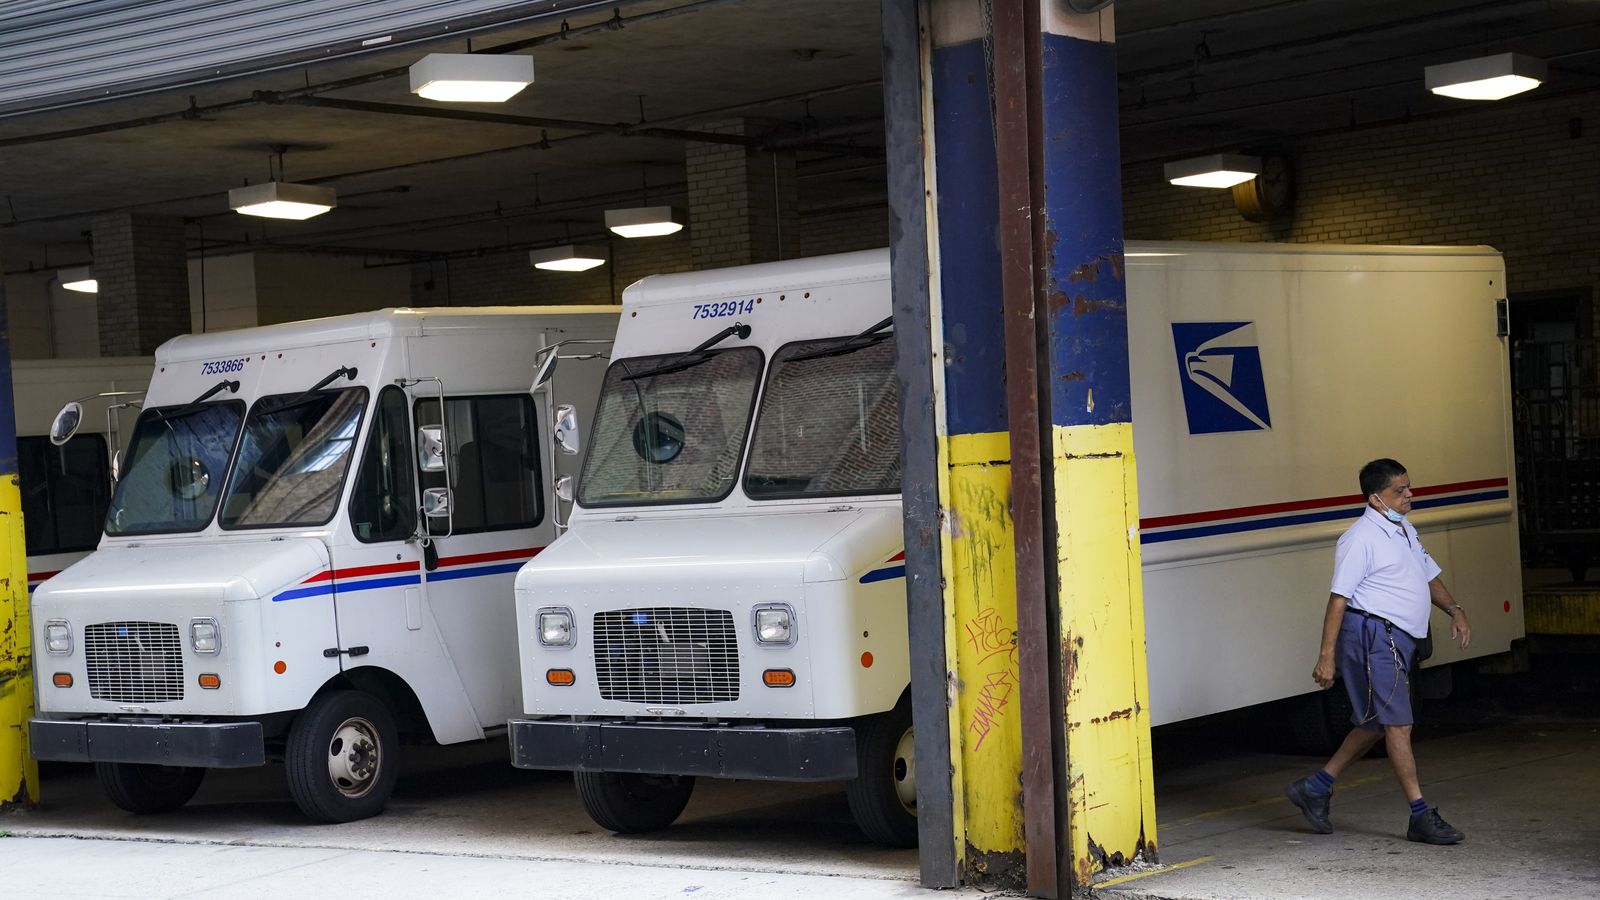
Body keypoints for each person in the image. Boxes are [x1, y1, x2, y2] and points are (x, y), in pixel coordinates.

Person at [1285, 458, 1472, 845]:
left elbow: (1427, 573)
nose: (1409, 496)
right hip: (1374, 637)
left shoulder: (1403, 527)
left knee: (1373, 723)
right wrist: (1326, 657)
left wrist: (1454, 609)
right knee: (1398, 725)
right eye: (1399, 492)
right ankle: (1420, 814)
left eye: (1409, 487)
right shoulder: (1359, 539)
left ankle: (1316, 787)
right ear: (1375, 499)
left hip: (1397, 638)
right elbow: (1338, 600)